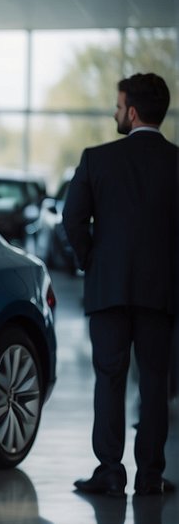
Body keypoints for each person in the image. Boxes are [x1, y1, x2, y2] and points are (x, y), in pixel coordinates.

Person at [64, 73, 178, 497]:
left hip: (107, 289)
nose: (115, 113)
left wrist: (91, 263)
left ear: (131, 112)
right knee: (154, 382)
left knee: (109, 379)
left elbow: (72, 220)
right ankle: (150, 476)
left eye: (118, 106)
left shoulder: (97, 159)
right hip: (160, 292)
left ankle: (109, 471)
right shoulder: (176, 162)